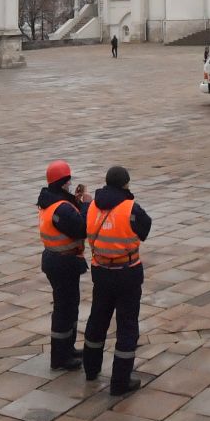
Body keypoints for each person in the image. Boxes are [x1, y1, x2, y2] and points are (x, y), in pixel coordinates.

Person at [82, 166, 151, 396]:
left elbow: (84, 224)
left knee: (98, 319)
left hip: (101, 270)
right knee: (127, 325)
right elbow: (145, 229)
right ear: (125, 185)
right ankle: (120, 381)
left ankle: (91, 369)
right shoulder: (131, 208)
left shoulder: (92, 205)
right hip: (127, 272)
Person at [37, 161, 88, 371]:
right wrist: (85, 205)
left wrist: (75, 201)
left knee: (70, 305)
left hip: (57, 260)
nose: (70, 184)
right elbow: (81, 229)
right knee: (64, 309)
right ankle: (60, 357)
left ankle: (67, 348)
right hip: (63, 262)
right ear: (62, 183)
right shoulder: (61, 208)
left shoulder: (50, 200)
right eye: (68, 181)